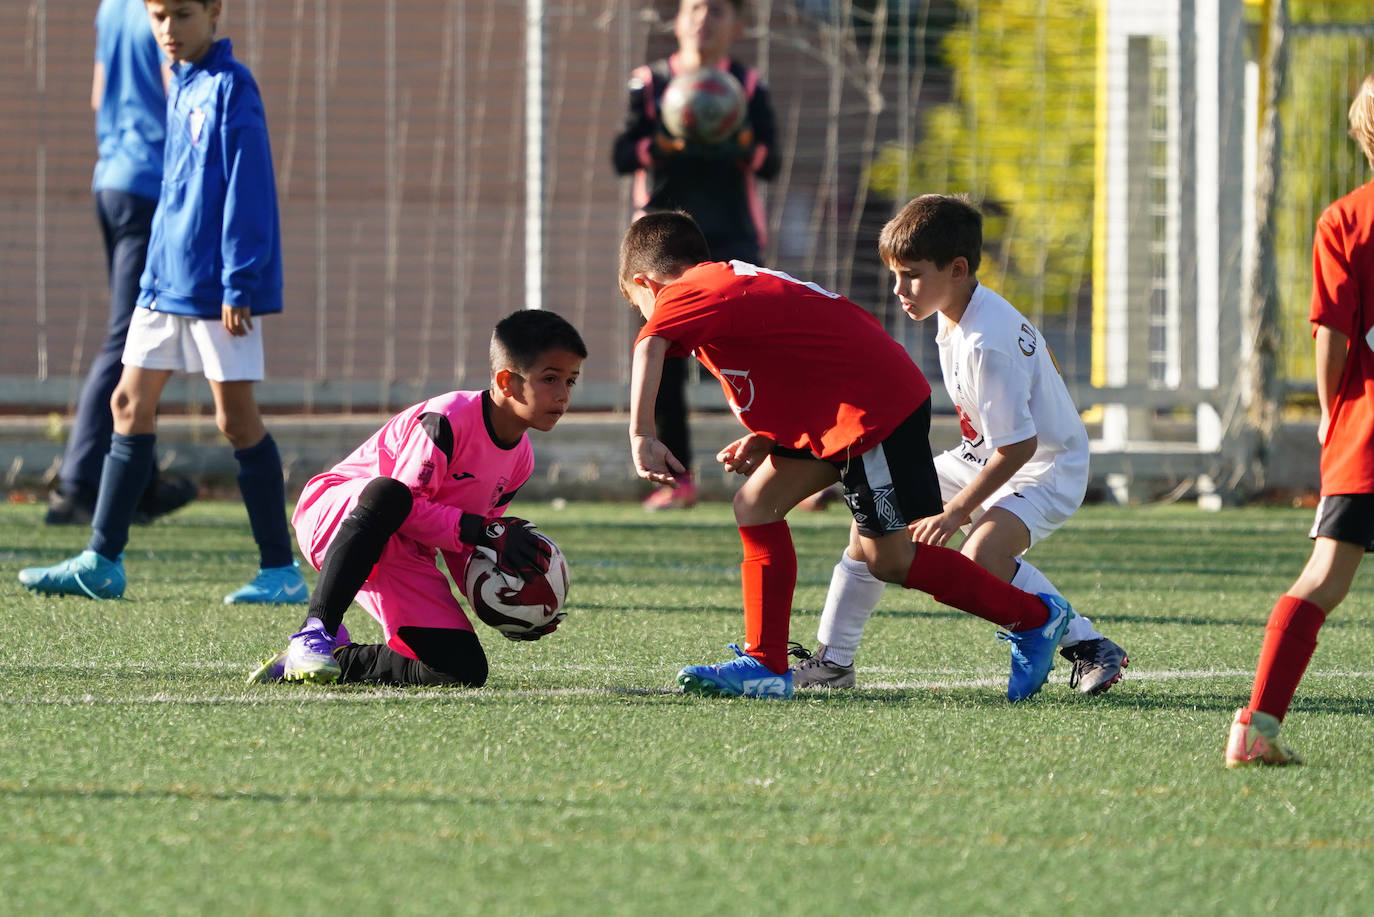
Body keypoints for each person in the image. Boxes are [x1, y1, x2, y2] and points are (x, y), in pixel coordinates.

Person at [620, 210, 1075, 701]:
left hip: (871, 419)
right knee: (756, 504)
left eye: (637, 302)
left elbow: (649, 344)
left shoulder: (689, 288)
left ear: (646, 282)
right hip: (844, 414)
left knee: (890, 560)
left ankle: (1036, 618)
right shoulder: (724, 286)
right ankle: (765, 663)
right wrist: (771, 437)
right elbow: (805, 360)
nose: (646, 315)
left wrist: (641, 433)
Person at [19, 0, 305, 606]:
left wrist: (240, 279)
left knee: (236, 420)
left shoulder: (233, 86)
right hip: (162, 282)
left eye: (182, 15)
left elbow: (248, 185)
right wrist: (153, 269)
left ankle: (280, 570)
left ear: (214, 13)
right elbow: (176, 190)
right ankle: (102, 559)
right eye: (158, 17)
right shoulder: (180, 82)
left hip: (214, 288)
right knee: (128, 402)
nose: (168, 30)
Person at [790, 195, 1130, 695]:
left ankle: (1088, 643)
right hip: (985, 458)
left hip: (1045, 467)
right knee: (871, 529)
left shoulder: (985, 341)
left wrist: (954, 513)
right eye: (895, 274)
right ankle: (834, 663)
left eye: (912, 275)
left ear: (956, 269)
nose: (899, 289)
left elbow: (1019, 447)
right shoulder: (953, 314)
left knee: (982, 554)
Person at [247, 310, 587, 687]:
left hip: (406, 548)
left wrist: (511, 606)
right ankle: (314, 634)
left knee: (462, 669)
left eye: (571, 381)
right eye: (551, 379)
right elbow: (403, 505)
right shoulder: (447, 419)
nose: (563, 395)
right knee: (390, 493)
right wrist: (485, 531)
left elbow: (464, 545)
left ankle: (339, 662)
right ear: (506, 381)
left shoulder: (521, 458)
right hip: (339, 516)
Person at [1225, 74, 1374, 767]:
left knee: (1323, 576)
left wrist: (1328, 412)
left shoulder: (1345, 219)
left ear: (1358, 135)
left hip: (1364, 433)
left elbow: (1332, 336)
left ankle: (1257, 726)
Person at [612, 0, 780, 511]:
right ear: (678, 19)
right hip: (663, 241)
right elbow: (623, 153)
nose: (704, 19)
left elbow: (770, 160)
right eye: (695, 7)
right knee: (661, 352)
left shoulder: (748, 88)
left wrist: (732, 141)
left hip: (732, 235)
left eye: (717, 10)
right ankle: (678, 478)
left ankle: (794, 460)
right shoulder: (650, 81)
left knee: (758, 353)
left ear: (738, 26)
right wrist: (667, 142)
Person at [46, 0, 198, 527]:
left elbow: (98, 96)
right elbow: (178, 90)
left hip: (111, 178)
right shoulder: (170, 11)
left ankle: (140, 483)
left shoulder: (113, 7)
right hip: (150, 183)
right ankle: (77, 482)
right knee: (129, 336)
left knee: (146, 334)